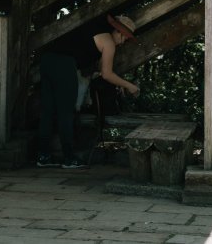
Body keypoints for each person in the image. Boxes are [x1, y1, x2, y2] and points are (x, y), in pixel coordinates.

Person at [37, 14, 140, 168]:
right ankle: (69, 158)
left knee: (48, 111)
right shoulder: (109, 43)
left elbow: (99, 68)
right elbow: (107, 74)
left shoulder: (95, 31)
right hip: (65, 65)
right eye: (124, 36)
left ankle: (43, 156)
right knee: (66, 112)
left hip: (47, 60)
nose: (123, 41)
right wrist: (129, 86)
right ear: (117, 31)